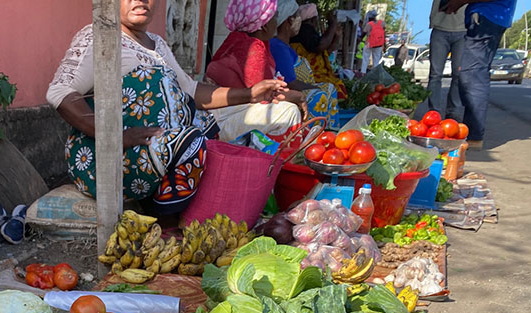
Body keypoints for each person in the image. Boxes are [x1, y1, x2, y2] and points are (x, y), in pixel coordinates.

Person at [47, 0, 292, 213]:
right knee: (191, 140)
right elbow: (59, 92)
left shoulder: (157, 44)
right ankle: (165, 218)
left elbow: (192, 91)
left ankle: (172, 202)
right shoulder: (99, 36)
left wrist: (251, 94)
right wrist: (116, 136)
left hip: (155, 146)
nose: (141, 0)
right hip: (107, 156)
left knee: (212, 128)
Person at [445, 0, 513, 148]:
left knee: (472, 75)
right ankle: (471, 134)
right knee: (475, 73)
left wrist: (458, 2)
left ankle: (472, 136)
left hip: (486, 16)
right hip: (492, 17)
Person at [269, 0, 339, 129]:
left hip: (296, 90)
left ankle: (328, 132)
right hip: (289, 93)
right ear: (290, 20)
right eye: (297, 17)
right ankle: (312, 136)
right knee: (320, 94)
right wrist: (315, 89)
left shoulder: (285, 46)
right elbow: (289, 82)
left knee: (329, 88)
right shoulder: (277, 46)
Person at [291, 4, 348, 98]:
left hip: (313, 76)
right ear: (313, 19)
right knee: (335, 88)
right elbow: (320, 46)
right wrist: (333, 25)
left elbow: (325, 52)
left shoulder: (308, 33)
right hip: (311, 77)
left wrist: (337, 36)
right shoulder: (305, 30)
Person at [426, 0, 466, 122]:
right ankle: (434, 113)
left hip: (463, 29)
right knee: (435, 74)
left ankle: (453, 112)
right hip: (440, 28)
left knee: (458, 75)